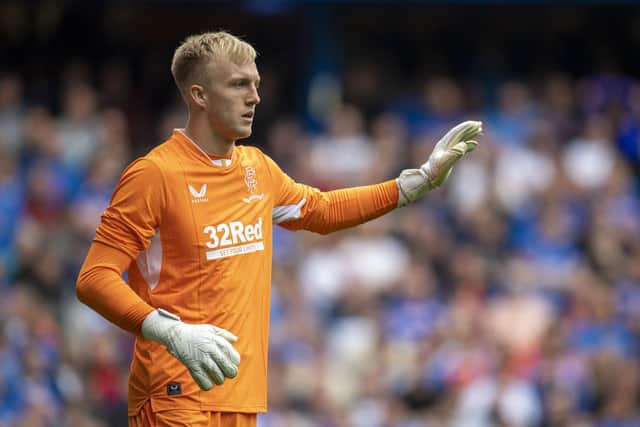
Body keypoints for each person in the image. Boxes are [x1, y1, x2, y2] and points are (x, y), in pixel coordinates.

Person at [76, 31, 482, 427]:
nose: (254, 97)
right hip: (175, 393)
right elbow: (94, 278)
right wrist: (170, 331)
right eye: (238, 85)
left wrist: (414, 183)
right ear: (198, 95)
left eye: (255, 84)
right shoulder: (154, 174)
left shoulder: (258, 169)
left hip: (240, 395)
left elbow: (322, 210)